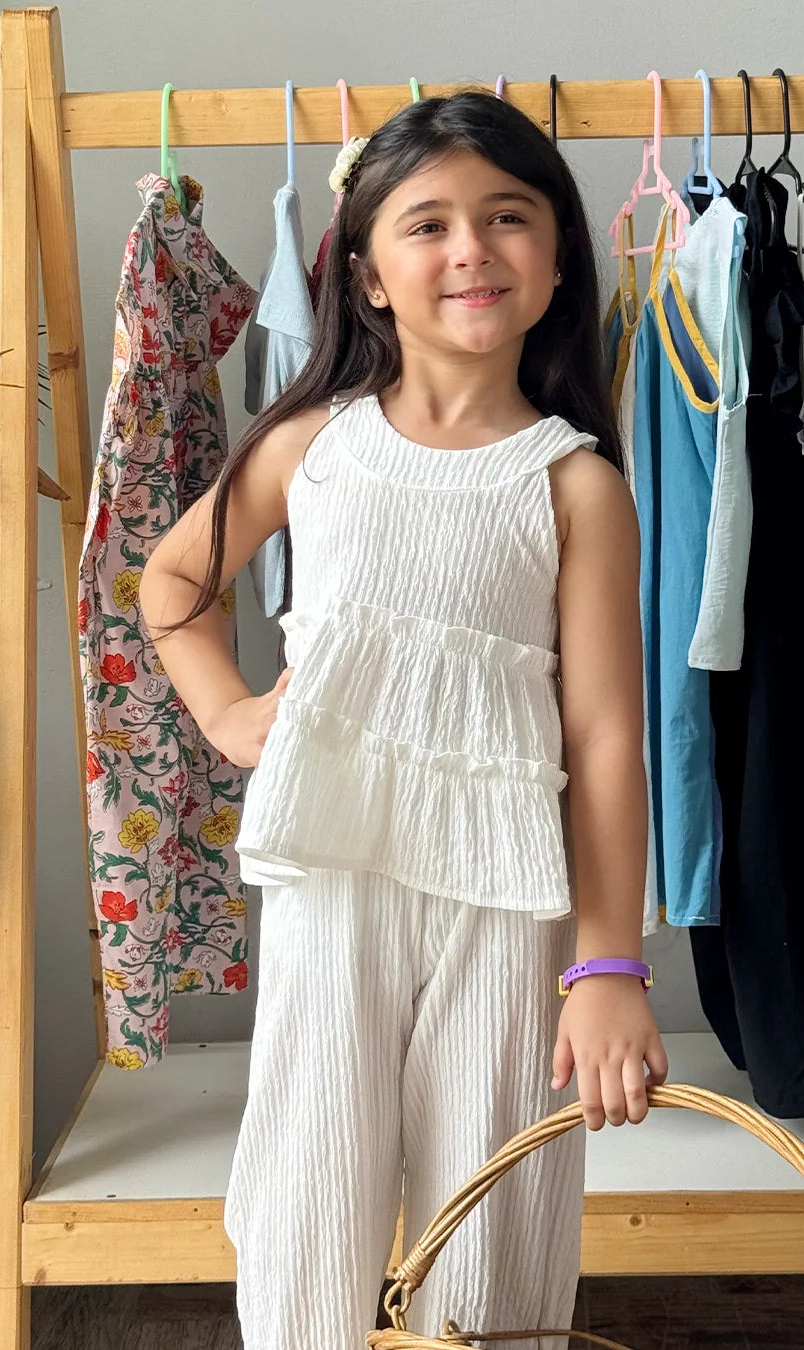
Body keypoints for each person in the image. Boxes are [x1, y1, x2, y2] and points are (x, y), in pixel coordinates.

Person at [139, 88, 666, 1350]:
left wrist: (608, 967)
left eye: (507, 216)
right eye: (428, 224)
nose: (471, 248)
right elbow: (171, 582)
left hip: (508, 899)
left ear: (557, 260)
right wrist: (228, 714)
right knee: (307, 1185)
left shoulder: (574, 485)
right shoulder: (308, 447)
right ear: (369, 275)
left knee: (494, 1208)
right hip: (335, 877)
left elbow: (604, 739)